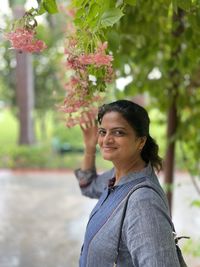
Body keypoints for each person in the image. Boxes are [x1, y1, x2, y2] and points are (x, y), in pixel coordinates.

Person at [74, 100, 180, 267]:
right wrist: (89, 148)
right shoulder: (116, 177)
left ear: (140, 141)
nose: (106, 139)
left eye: (118, 133)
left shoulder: (144, 202)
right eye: (103, 132)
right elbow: (87, 185)